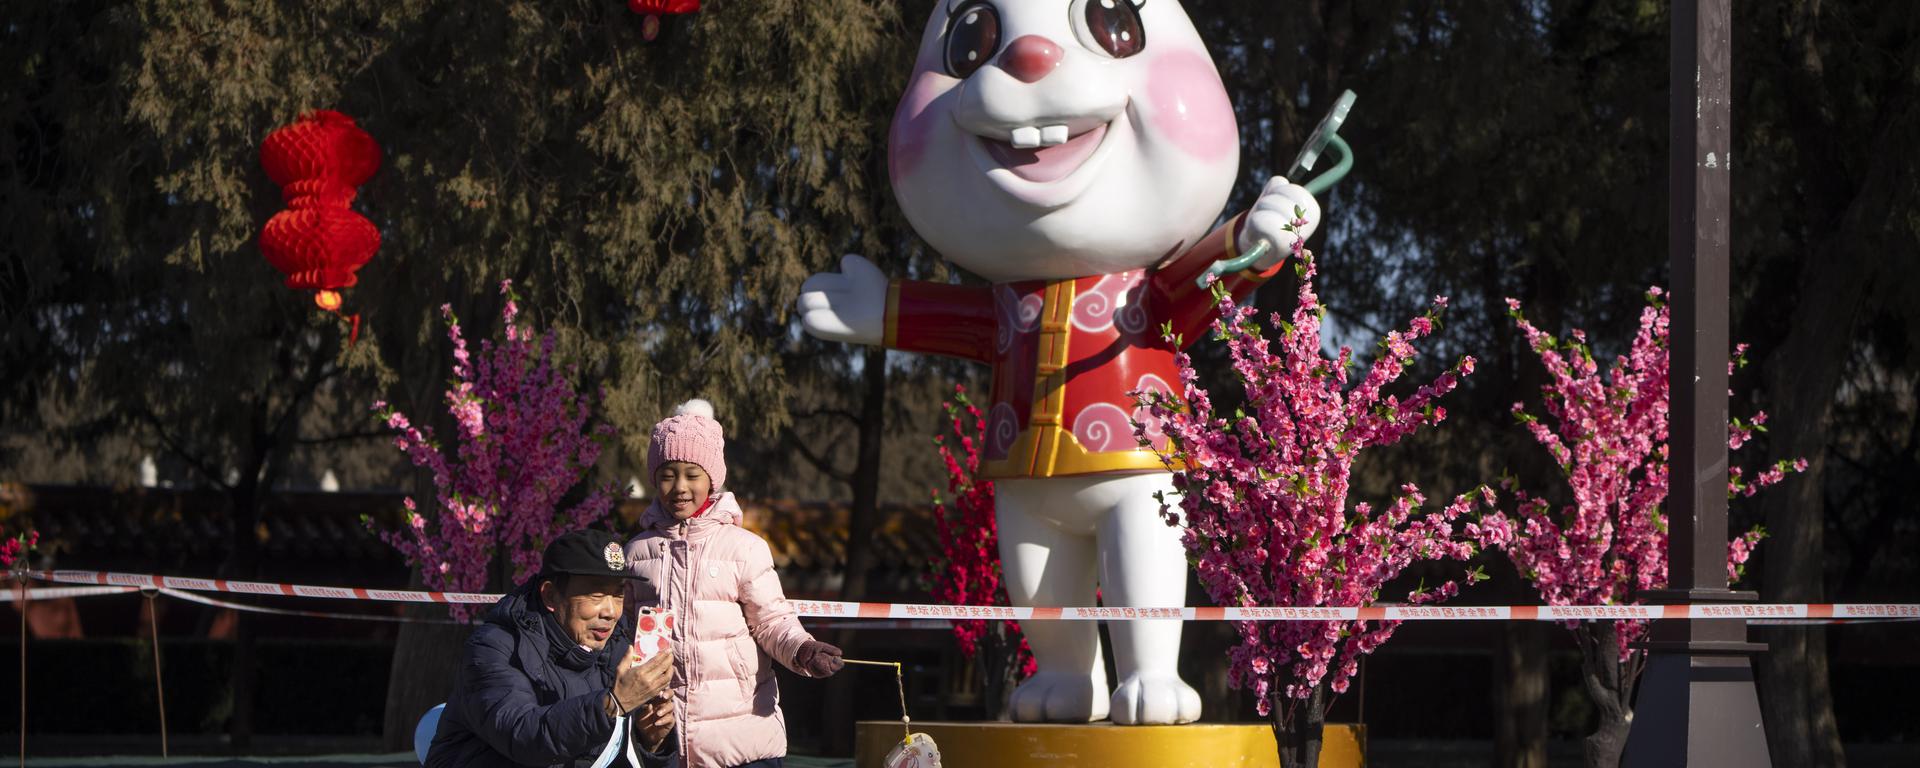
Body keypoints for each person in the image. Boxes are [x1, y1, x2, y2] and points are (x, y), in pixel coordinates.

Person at [624, 399, 846, 768]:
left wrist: (803, 650)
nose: (679, 487)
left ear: (712, 478)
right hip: (664, 743)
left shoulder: (745, 549)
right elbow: (623, 635)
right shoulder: (636, 553)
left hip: (744, 741)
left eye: (692, 474)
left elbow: (772, 621)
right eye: (667, 474)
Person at [427, 529, 680, 768]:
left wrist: (651, 741)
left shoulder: (619, 647)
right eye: (595, 595)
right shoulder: (494, 646)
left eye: (617, 594)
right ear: (550, 596)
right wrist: (613, 703)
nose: (610, 612)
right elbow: (523, 736)